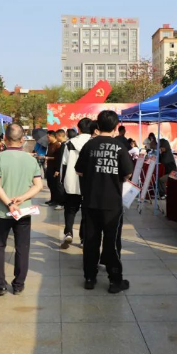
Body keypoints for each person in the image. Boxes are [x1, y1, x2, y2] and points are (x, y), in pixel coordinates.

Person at [75, 110, 133, 293]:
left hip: (91, 201)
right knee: (112, 241)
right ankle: (115, 280)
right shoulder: (120, 147)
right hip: (112, 204)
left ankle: (90, 277)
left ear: (98, 125)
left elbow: (79, 170)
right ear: (116, 126)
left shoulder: (89, 145)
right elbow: (128, 173)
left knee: (91, 240)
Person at [0, 124, 43, 296]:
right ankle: (19, 284)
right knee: (22, 247)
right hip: (23, 211)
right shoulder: (31, 160)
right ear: (22, 140)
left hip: (1, 211)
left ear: (4, 139)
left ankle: (0, 285)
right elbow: (38, 185)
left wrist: (8, 203)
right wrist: (22, 198)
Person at [60, 118, 92, 249]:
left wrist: (62, 181)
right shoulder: (94, 142)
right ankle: (84, 239)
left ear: (78, 129)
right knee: (86, 212)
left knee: (70, 209)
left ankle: (68, 232)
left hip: (71, 181)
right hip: (89, 184)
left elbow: (64, 164)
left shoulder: (69, 143)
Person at [44, 130, 61, 207]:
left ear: (53, 136)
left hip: (55, 168)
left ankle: (56, 200)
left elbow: (58, 158)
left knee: (54, 185)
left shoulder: (58, 145)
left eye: (48, 137)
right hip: (49, 167)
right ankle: (52, 199)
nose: (47, 138)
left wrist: (48, 158)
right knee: (50, 184)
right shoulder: (49, 145)